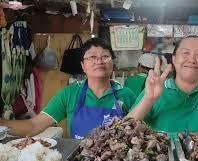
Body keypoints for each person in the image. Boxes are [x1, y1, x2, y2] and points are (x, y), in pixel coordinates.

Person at [0, 38, 136, 139]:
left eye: (105, 56)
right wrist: (2, 124)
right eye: (92, 57)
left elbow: (138, 132)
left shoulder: (126, 94)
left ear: (113, 62)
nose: (99, 61)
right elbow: (34, 126)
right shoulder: (70, 93)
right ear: (83, 65)